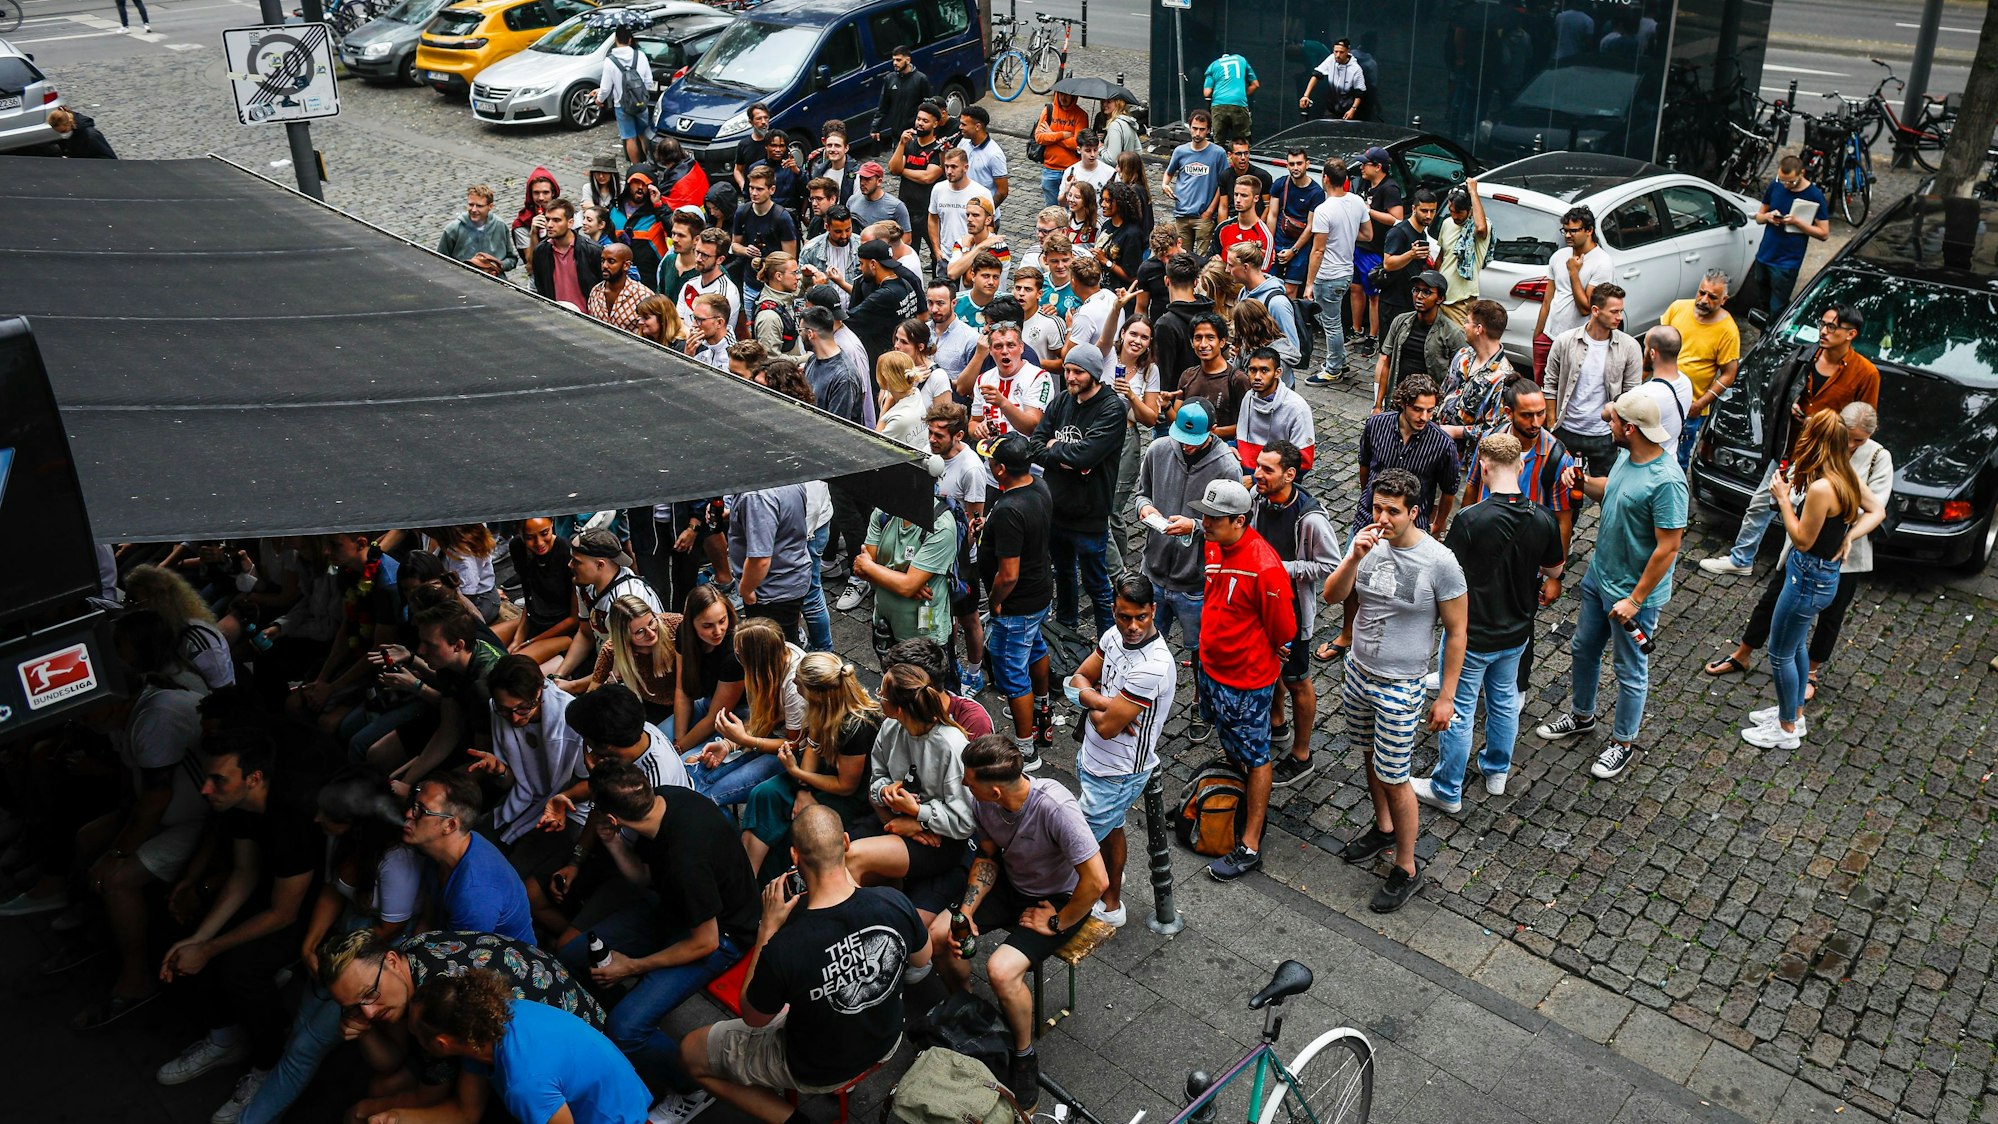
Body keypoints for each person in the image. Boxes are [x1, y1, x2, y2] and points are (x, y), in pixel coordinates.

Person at [680, 805, 929, 1123]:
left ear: (795, 857)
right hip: (887, 1039)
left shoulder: (784, 947)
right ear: (847, 843)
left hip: (818, 1067)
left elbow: (754, 1017)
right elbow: (922, 961)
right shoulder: (895, 902)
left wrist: (765, 933)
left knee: (690, 1051)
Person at [561, 760, 760, 1103]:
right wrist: (612, 843)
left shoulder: (686, 860)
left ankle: (694, 1086)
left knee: (625, 1030)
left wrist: (633, 966)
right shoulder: (666, 800)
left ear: (611, 817)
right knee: (571, 956)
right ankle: (622, 1012)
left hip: (722, 936)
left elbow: (705, 942)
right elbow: (645, 878)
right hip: (673, 909)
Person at [928, 736, 1106, 1109]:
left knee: (1001, 970)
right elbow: (988, 857)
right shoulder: (986, 803)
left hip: (1060, 900)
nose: (963, 783)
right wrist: (967, 912)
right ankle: (969, 1011)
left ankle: (1024, 1056)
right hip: (1013, 883)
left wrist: (1057, 921)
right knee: (942, 934)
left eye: (968, 779)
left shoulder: (1055, 807)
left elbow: (1097, 881)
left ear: (994, 789)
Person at [1318, 468, 1464, 912]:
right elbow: (1332, 597)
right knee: (1368, 754)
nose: (1383, 518)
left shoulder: (1439, 562)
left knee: (1396, 777)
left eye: (1393, 511)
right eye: (1378, 507)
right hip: (1359, 671)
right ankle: (1382, 828)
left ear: (1414, 512)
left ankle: (1406, 867)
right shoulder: (1367, 543)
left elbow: (1457, 632)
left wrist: (1446, 696)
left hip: (1401, 685)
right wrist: (1353, 557)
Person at [154, 732, 319, 1109]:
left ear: (254, 778)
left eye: (218, 781)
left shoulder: (289, 817)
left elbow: (284, 913)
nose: (206, 789)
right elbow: (244, 874)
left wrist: (209, 948)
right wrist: (198, 939)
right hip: (271, 891)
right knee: (184, 937)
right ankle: (225, 1038)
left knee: (241, 970)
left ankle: (268, 1064)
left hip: (308, 906)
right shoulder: (241, 807)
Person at [1535, 389, 1688, 781]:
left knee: (1630, 669)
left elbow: (1668, 548)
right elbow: (1613, 490)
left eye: (1616, 421)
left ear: (1631, 429)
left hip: (1631, 596)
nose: (1609, 423)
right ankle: (1583, 715)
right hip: (1598, 578)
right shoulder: (1627, 456)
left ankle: (1622, 742)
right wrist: (1584, 482)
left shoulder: (1668, 482)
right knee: (1584, 647)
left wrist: (1635, 601)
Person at [1413, 433, 1564, 816]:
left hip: (1473, 634)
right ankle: (1496, 771)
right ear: (1521, 465)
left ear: (1483, 467)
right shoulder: (1544, 518)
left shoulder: (1470, 520)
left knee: (1461, 709)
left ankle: (1447, 787)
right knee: (1504, 703)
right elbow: (1555, 570)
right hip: (1517, 632)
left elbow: (1448, 576)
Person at [320, 929, 607, 1124]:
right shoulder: (410, 954)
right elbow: (392, 1061)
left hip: (581, 1060)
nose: (367, 1012)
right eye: (353, 1006)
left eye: (369, 994)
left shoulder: (436, 1003)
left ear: (392, 962)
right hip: (573, 1028)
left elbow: (460, 1111)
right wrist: (364, 1030)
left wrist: (366, 1112)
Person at [1704, 402, 1890, 698]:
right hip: (1802, 551)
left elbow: (1875, 508)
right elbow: (1800, 503)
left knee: (1827, 617)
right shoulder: (1820, 455)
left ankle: (1806, 682)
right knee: (1772, 601)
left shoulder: (1875, 459)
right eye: (1848, 437)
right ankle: (1744, 654)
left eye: (1859, 440)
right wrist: (1787, 495)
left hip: (1840, 556)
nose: (1852, 444)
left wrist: (1849, 535)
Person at [1700, 303, 1879, 577]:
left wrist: (1816, 424)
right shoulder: (1805, 357)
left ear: (1850, 334)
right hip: (1790, 449)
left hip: (1826, 461)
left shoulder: (1865, 373)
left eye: (1832, 327)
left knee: (1809, 515)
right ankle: (1741, 559)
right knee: (1761, 502)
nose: (1824, 331)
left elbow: (1862, 424)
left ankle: (1795, 570)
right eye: (1823, 323)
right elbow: (1779, 392)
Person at [1740, 410, 1883, 750]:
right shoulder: (1846, 475)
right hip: (1821, 577)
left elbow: (1802, 540)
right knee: (1796, 645)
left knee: (1779, 653)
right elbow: (1877, 510)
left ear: (1816, 441)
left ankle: (1787, 729)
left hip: (1806, 578)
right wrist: (1850, 536)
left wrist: (1783, 500)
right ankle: (1795, 712)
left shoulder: (1822, 487)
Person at [1188, 479, 1296, 881]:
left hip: (1246, 680)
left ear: (1239, 520)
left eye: (1214, 518)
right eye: (1204, 514)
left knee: (1256, 755)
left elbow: (1282, 629)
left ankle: (1250, 844)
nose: (1205, 523)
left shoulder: (1265, 567)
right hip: (1213, 670)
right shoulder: (1215, 542)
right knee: (1234, 744)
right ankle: (1234, 796)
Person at [1320, 376, 1461, 661]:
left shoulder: (1442, 443)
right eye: (1418, 410)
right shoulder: (1377, 425)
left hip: (1411, 528)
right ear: (1403, 404)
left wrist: (1437, 524)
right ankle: (1348, 632)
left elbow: (1448, 490)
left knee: (1400, 590)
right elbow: (1364, 465)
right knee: (1354, 576)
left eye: (1430, 411)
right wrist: (1372, 505)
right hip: (1367, 519)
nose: (1424, 417)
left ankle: (1389, 642)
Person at [1063, 576, 1174, 928]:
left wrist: (1094, 705)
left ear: (1153, 610)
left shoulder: (1154, 666)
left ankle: (1110, 906)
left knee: (1073, 844)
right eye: (1125, 616)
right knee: (1111, 830)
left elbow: (1109, 728)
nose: (1132, 626)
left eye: (1141, 616)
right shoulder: (1112, 636)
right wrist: (1106, 703)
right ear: (1114, 610)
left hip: (1120, 772)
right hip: (1091, 760)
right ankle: (1109, 887)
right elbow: (1075, 679)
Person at [1134, 399, 1238, 742]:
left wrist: (1194, 526)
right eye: (1182, 439)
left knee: (1200, 652)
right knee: (1146, 642)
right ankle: (1142, 700)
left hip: (1195, 580)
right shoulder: (1160, 449)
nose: (1185, 446)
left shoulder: (1226, 466)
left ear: (1211, 433)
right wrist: (1145, 507)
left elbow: (1233, 528)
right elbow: (1140, 493)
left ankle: (1200, 705)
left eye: (1194, 441)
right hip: (1153, 570)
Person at [1247, 441, 1341, 786]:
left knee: (1297, 679)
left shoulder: (1311, 518)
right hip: (1262, 606)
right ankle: (1277, 723)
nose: (1257, 473)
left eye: (1266, 469)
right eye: (1258, 466)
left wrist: (1279, 568)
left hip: (1294, 610)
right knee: (1271, 669)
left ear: (1289, 474)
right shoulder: (1258, 499)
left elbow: (1331, 564)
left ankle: (1302, 755)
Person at [842, 662, 977, 897]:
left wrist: (918, 814)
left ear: (899, 709)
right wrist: (886, 792)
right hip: (895, 819)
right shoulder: (891, 727)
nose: (878, 698)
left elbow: (965, 821)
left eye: (881, 695)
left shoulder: (950, 746)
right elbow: (877, 778)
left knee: (851, 857)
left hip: (940, 840)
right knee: (833, 857)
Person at [736, 655, 883, 871]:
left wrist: (796, 772)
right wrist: (802, 789)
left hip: (851, 795)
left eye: (798, 682)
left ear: (817, 693)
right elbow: (811, 754)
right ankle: (748, 873)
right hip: (819, 777)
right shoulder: (820, 707)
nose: (794, 683)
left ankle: (769, 881)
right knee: (764, 794)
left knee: (797, 830)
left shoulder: (856, 728)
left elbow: (846, 786)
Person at [979, 434, 1057, 766]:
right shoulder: (1038, 486)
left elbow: (1008, 574)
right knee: (1036, 647)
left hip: (1017, 603)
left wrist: (996, 603)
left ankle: (1027, 748)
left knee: (1011, 673)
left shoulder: (1010, 509)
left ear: (999, 469)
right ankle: (1043, 709)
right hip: (1039, 592)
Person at [1544, 283, 1642, 478]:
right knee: (1561, 491)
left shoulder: (1629, 347)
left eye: (1621, 311)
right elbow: (1550, 385)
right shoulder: (1565, 341)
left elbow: (1632, 394)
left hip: (1605, 435)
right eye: (1614, 312)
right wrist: (1552, 425)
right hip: (1567, 431)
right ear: (1595, 311)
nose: (1619, 317)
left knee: (1606, 494)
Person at [1660, 269, 1742, 472]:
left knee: (1677, 460)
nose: (1704, 300)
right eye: (1701, 292)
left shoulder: (1728, 331)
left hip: (1690, 409)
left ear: (1724, 300)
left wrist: (1700, 404)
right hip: (1660, 398)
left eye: (1712, 297)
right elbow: (1656, 345)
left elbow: (1729, 374)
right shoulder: (1678, 308)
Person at [1301, 158, 1372, 386]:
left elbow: (1318, 250)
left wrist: (1309, 283)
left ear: (1326, 178)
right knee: (1333, 321)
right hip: (1346, 272)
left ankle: (1333, 369)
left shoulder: (1323, 210)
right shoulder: (1357, 201)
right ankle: (1340, 360)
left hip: (1328, 274)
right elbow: (1368, 234)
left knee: (1330, 324)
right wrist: (1348, 235)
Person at [1532, 205, 1610, 380]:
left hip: (1576, 342)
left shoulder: (1602, 262)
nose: (1567, 235)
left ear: (1589, 230)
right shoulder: (1558, 256)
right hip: (1548, 337)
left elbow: (1586, 308)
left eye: (1573, 231)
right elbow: (1547, 301)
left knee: (1565, 392)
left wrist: (1573, 273)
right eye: (1565, 230)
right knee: (1541, 391)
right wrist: (1538, 336)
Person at [1751, 155, 1832, 317]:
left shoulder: (1814, 195)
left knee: (1777, 308)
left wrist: (1797, 222)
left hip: (1787, 262)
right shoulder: (1775, 186)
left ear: (1801, 173)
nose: (1786, 185)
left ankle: (1771, 337)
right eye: (1782, 180)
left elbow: (1824, 233)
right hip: (1764, 255)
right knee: (1762, 303)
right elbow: (1759, 216)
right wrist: (1767, 217)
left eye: (1790, 182)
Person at [1375, 271, 1466, 411]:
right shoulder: (1400, 322)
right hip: (1398, 401)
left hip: (1428, 408)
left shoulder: (1452, 333)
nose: (1418, 296)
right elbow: (1386, 363)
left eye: (1426, 292)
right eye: (1416, 290)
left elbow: (1460, 378)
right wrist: (1378, 405)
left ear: (1440, 298)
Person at [890, 101, 953, 263]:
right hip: (906, 209)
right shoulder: (909, 143)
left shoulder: (938, 148)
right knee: (907, 254)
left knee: (937, 254)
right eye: (918, 119)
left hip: (929, 212)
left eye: (925, 121)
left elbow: (928, 177)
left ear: (935, 123)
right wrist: (901, 144)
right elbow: (893, 168)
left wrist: (902, 171)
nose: (920, 123)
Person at [1236, 346, 1315, 471]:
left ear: (1278, 373)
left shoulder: (1297, 408)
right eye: (1252, 370)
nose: (1257, 376)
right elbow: (1242, 437)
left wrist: (1255, 479)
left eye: (1264, 370)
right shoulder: (1248, 397)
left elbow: (1303, 461)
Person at [1262, 148, 1324, 298]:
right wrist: (1270, 245)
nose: (1295, 167)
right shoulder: (1280, 184)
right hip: (1277, 241)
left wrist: (1293, 251)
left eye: (1299, 163)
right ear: (1287, 165)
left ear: (1307, 164)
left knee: (1290, 290)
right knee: (1268, 286)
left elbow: (1311, 226)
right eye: (1292, 164)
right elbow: (1273, 214)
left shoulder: (1316, 192)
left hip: (1300, 246)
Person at [1164, 111, 1228, 256]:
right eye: (1194, 128)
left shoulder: (1218, 153)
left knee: (1202, 260)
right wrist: (1165, 185)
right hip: (1182, 214)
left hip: (1203, 216)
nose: (1197, 133)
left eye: (1202, 129)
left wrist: (1210, 211)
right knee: (1182, 258)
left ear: (1209, 130)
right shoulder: (1180, 151)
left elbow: (1222, 184)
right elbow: (1169, 172)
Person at [530, 197, 604, 311]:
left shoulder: (592, 251)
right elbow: (540, 288)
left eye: (556, 220)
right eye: (547, 219)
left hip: (588, 320)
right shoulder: (541, 252)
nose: (549, 225)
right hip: (555, 318)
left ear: (570, 223)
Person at [1431, 182, 1488, 328]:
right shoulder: (1447, 223)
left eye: (1459, 212)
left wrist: (1473, 192)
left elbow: (1481, 228)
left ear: (1470, 210)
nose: (1455, 216)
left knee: (1460, 346)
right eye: (1451, 211)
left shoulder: (1479, 227)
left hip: (1460, 302)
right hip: (1440, 298)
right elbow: (1441, 257)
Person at [437, 184, 518, 278]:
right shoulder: (453, 229)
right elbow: (439, 262)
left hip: (496, 283)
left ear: (490, 206)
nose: (474, 209)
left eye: (479, 206)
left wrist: (497, 265)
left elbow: (511, 259)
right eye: (471, 204)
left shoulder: (500, 226)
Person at [1640, 325, 1695, 459]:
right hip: (1670, 459)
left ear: (1653, 353)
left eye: (1645, 347)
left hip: (1646, 466)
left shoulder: (1645, 393)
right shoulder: (1686, 382)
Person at [1033, 91, 1091, 207]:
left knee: (1071, 209)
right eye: (1061, 94)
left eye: (1067, 95)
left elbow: (1077, 143)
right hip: (1050, 169)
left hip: (1071, 171)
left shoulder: (1081, 115)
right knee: (1052, 210)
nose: (1063, 97)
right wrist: (1062, 135)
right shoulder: (1049, 110)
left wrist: (1052, 134)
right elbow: (1039, 137)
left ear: (1073, 96)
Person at [871, 46, 933, 149]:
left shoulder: (920, 79)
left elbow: (929, 107)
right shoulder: (890, 79)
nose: (895, 63)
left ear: (908, 60)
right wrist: (875, 128)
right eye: (893, 60)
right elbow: (883, 106)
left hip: (914, 134)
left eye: (898, 60)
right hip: (897, 134)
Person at [588, 242, 656, 333]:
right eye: (602, 260)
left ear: (626, 265)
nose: (604, 265)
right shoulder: (595, 292)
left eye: (611, 261)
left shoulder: (643, 295)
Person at [957, 107, 1011, 208]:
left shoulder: (994, 155)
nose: (960, 127)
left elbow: (1002, 191)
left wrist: (986, 211)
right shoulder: (963, 143)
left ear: (977, 126)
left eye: (964, 124)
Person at [1203, 51, 1260, 143]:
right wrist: (1241, 95)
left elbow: (1207, 92)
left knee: (1218, 142)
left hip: (1219, 105)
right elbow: (1255, 85)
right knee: (1242, 141)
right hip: (1239, 103)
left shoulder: (1213, 66)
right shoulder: (1241, 60)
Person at [1301, 38, 1366, 119]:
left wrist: (1353, 110)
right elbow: (1316, 74)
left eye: (1341, 52)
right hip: (1331, 110)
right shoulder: (1331, 59)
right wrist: (1306, 95)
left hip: (1348, 112)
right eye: (1336, 52)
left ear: (1347, 51)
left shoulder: (1356, 69)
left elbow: (1360, 93)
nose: (1338, 55)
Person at [47, 105, 118, 157]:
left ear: (69, 123)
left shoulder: (91, 136)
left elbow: (109, 158)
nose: (63, 134)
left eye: (64, 131)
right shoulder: (71, 132)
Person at [1099, 96, 1142, 164]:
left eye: (1109, 102)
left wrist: (1100, 148)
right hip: (1128, 169)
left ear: (1118, 104)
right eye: (1103, 101)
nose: (1104, 104)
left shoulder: (1115, 126)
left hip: (1117, 171)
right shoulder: (1128, 122)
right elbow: (1138, 151)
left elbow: (1112, 160)